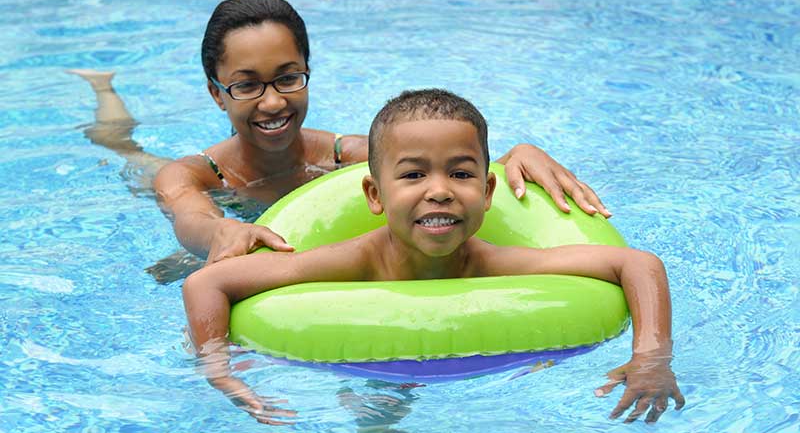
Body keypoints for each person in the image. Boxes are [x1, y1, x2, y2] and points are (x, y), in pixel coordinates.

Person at [182, 88, 684, 425]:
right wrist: (219, 367)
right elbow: (205, 284)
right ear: (374, 197)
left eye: (461, 174)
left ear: (489, 192)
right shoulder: (354, 261)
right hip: (362, 363)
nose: (439, 192)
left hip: (467, 358)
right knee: (375, 413)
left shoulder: (492, 261)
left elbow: (638, 264)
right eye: (414, 175)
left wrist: (651, 359)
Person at [68, 0, 611, 282]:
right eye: (247, 86)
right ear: (216, 94)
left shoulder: (341, 157)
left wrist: (519, 151)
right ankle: (105, 93)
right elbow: (192, 218)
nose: (274, 101)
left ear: (307, 72)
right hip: (228, 193)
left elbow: (432, 152)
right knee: (130, 154)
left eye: (288, 77)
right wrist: (217, 236)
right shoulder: (190, 176)